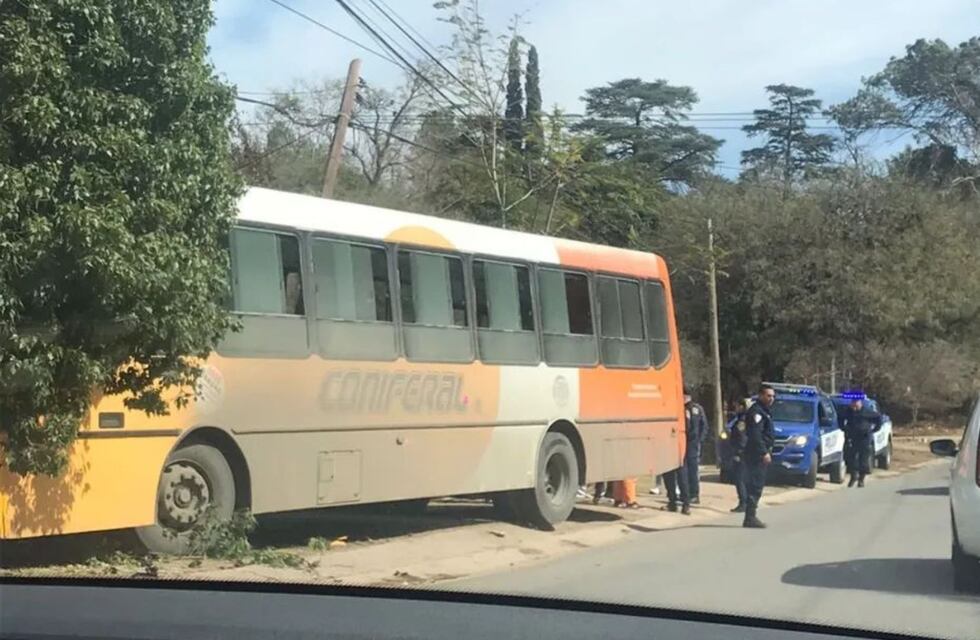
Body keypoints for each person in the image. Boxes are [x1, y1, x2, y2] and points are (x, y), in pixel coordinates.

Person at [741, 383, 776, 528]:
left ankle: (750, 516)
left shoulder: (765, 411)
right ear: (761, 395)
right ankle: (750, 517)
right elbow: (755, 435)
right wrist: (763, 452)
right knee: (755, 484)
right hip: (756, 455)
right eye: (768, 396)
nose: (771, 398)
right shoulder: (757, 412)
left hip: (759, 453)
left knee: (757, 484)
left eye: (773, 396)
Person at [842, 396, 881, 488]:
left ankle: (861, 479)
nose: (854, 404)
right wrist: (844, 428)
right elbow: (840, 418)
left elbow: (878, 418)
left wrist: (874, 429)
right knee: (850, 458)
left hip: (864, 438)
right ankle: (853, 476)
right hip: (852, 438)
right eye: (853, 402)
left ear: (860, 403)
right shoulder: (848, 412)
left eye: (856, 402)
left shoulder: (867, 412)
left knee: (863, 460)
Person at [684, 387, 709, 504]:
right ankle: (686, 493)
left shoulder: (697, 409)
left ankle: (694, 494)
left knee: (692, 469)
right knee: (684, 470)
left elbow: (704, 426)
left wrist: (700, 440)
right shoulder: (681, 408)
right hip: (683, 442)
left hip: (693, 443)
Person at [728, 398, 752, 513]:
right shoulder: (741, 419)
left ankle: (743, 503)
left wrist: (738, 452)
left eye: (737, 406)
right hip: (744, 453)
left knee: (740, 479)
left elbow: (742, 438)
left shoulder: (742, 421)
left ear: (742, 407)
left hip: (741, 454)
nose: (735, 408)